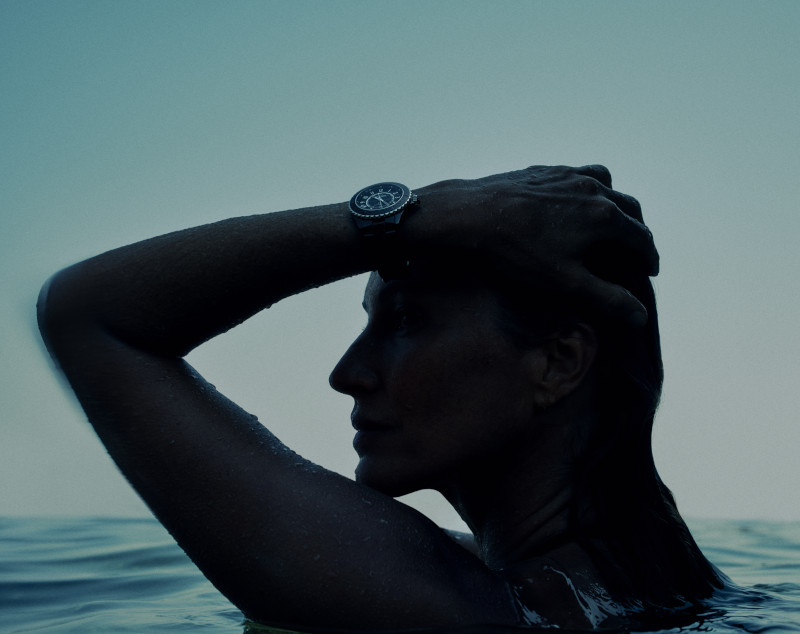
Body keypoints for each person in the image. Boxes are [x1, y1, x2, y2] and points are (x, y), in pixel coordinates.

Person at [37, 165, 722, 631]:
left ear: (557, 362)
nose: (347, 373)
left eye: (405, 321)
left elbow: (88, 315)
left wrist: (409, 216)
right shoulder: (661, 583)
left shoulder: (450, 605)